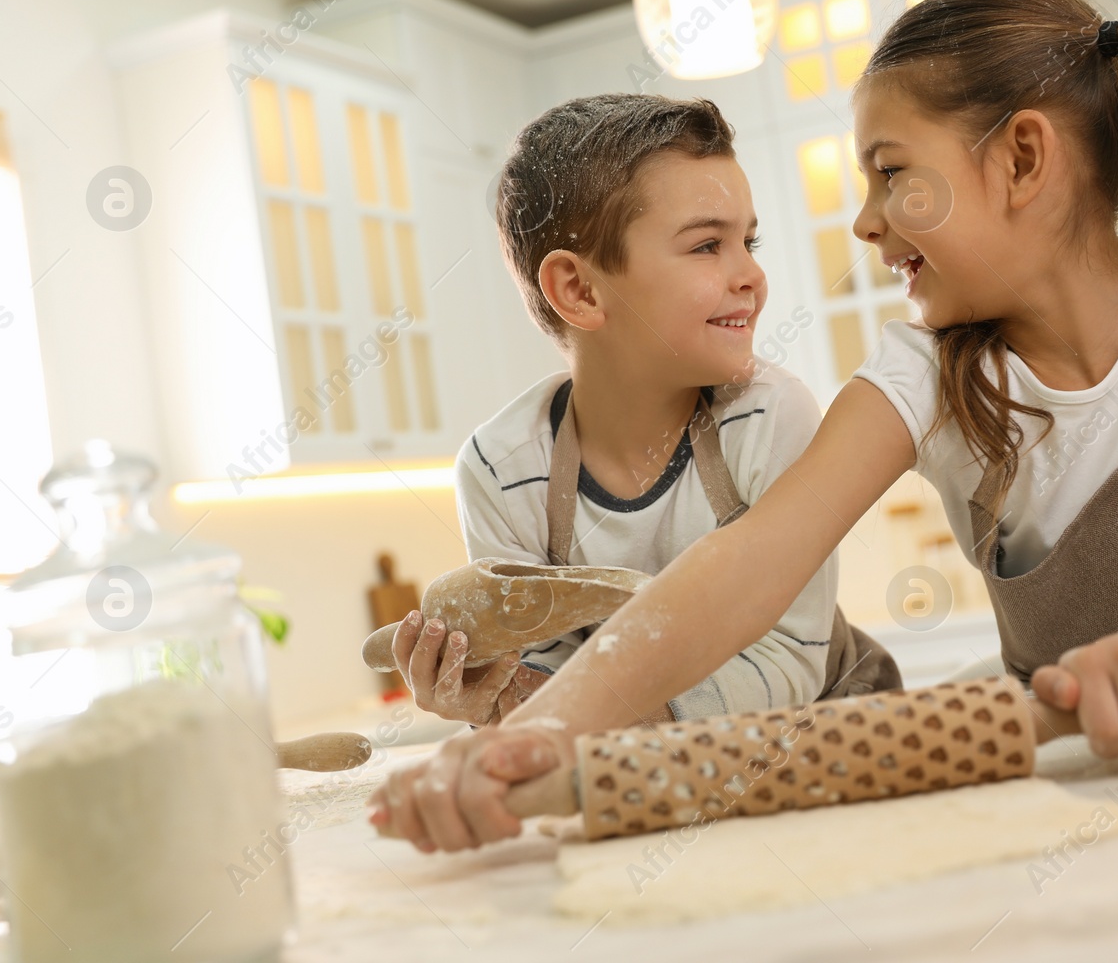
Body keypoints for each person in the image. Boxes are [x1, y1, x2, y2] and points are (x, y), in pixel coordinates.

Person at [370, 0, 1118, 853]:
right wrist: (551, 723)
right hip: (1084, 800)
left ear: (1022, 160)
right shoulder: (926, 372)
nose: (860, 221)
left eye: (891, 173)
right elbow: (751, 560)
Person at [382, 93, 897, 755]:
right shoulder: (501, 469)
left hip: (831, 721)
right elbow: (542, 672)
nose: (752, 275)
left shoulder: (768, 413)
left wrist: (557, 717)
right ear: (581, 291)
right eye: (708, 245)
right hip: (644, 759)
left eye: (749, 240)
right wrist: (494, 694)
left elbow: (787, 661)